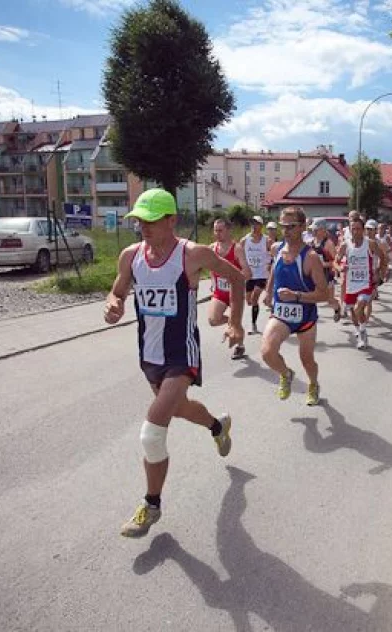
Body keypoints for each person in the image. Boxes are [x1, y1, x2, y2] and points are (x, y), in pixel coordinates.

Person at [103, 188, 245, 538]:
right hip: (149, 355)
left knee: (152, 433)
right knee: (178, 409)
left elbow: (237, 278)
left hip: (181, 353)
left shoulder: (191, 255)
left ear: (171, 220)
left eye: (151, 221)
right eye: (138, 221)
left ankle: (151, 505)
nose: (143, 228)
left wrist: (235, 321)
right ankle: (217, 426)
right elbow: (117, 290)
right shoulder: (130, 256)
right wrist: (113, 304)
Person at [260, 207, 330, 404]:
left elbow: (324, 293)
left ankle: (313, 384)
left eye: (291, 226)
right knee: (267, 352)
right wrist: (268, 289)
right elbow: (275, 267)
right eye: (283, 226)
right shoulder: (276, 249)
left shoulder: (311, 257)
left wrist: (296, 296)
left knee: (306, 360)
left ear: (302, 227)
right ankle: (286, 374)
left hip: (305, 316)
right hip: (282, 313)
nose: (286, 231)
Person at [335, 216, 387, 349]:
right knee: (353, 312)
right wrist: (340, 267)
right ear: (350, 230)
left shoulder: (370, 243)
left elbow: (382, 257)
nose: (356, 231)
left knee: (359, 308)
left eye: (358, 229)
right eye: (353, 229)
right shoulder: (345, 245)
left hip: (365, 283)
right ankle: (359, 331)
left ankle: (363, 332)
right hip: (351, 283)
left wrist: (379, 273)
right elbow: (335, 261)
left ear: (363, 230)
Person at [208, 218, 250, 358]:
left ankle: (240, 346)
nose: (217, 233)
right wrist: (213, 282)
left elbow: (247, 272)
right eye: (215, 230)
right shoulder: (211, 249)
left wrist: (234, 277)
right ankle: (232, 322)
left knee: (236, 324)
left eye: (220, 230)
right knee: (213, 320)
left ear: (228, 230)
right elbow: (209, 267)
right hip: (220, 292)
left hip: (235, 293)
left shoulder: (236, 248)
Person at [241, 215, 272, 335]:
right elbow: (239, 255)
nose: (254, 226)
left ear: (261, 226)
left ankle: (253, 325)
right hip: (250, 275)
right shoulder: (245, 240)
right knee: (249, 300)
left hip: (262, 274)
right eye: (252, 224)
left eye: (256, 224)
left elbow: (275, 254)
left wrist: (270, 264)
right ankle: (270, 309)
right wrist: (242, 268)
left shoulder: (267, 240)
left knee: (254, 298)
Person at [311, 218, 343, 322]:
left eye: (316, 230)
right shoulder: (312, 242)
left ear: (323, 230)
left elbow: (335, 262)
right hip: (314, 275)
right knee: (310, 297)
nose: (313, 232)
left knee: (329, 300)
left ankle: (337, 308)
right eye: (313, 229)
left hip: (326, 275)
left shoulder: (328, 243)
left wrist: (323, 264)